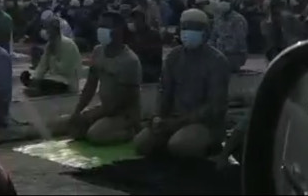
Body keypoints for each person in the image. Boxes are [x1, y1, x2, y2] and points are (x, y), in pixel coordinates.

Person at [134, 9, 230, 158]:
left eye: (194, 28)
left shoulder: (217, 61)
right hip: (173, 119)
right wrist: (157, 116)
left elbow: (214, 107)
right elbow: (164, 91)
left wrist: (178, 122)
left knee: (179, 146)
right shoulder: (174, 56)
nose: (187, 32)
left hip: (205, 124)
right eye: (185, 27)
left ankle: (209, 145)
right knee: (142, 142)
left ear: (205, 32)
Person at [68, 11, 142, 145]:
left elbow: (120, 102)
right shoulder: (98, 51)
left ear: (118, 31)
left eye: (105, 26)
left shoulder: (129, 61)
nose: (100, 30)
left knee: (95, 135)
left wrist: (91, 115)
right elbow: (90, 86)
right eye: (100, 25)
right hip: (106, 108)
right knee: (75, 129)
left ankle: (131, 131)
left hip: (123, 114)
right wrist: (77, 111)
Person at [21, 14, 81, 97]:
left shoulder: (68, 44)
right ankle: (36, 87)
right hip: (52, 77)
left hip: (66, 80)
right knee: (31, 78)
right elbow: (42, 65)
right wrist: (36, 78)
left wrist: (53, 57)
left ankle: (39, 90)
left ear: (55, 30)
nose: (46, 31)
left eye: (48, 29)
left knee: (47, 84)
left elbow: (65, 69)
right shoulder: (49, 45)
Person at [209, 0, 249, 72]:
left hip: (233, 55)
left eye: (227, 0)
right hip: (218, 54)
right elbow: (213, 36)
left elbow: (240, 39)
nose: (223, 2)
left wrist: (242, 54)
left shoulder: (238, 19)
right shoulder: (218, 18)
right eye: (222, 0)